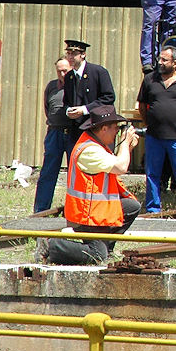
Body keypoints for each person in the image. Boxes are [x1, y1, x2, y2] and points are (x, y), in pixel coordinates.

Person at [38, 106, 140, 265]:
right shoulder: (90, 150)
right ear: (104, 128)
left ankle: (107, 246)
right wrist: (125, 144)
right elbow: (120, 167)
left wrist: (128, 147)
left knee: (132, 206)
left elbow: (115, 167)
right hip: (86, 214)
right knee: (97, 256)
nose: (117, 132)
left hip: (96, 209)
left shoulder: (96, 144)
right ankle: (52, 246)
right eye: (115, 128)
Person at [136, 46, 176, 219]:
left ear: (175, 63)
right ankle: (153, 209)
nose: (160, 63)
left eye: (165, 60)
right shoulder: (150, 80)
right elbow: (142, 105)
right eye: (160, 59)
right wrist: (149, 122)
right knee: (152, 174)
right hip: (154, 137)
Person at [61, 39, 117, 154]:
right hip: (76, 129)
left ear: (83, 54)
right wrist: (68, 111)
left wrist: (84, 110)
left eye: (74, 54)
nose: (70, 57)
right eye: (68, 53)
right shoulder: (69, 77)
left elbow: (108, 98)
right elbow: (66, 101)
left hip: (96, 127)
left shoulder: (98, 72)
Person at [33, 56, 72, 213]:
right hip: (54, 133)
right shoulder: (51, 86)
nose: (62, 74)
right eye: (59, 71)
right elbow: (47, 108)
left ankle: (72, 209)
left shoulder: (77, 85)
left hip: (72, 134)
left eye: (65, 70)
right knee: (48, 172)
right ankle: (41, 210)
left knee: (74, 174)